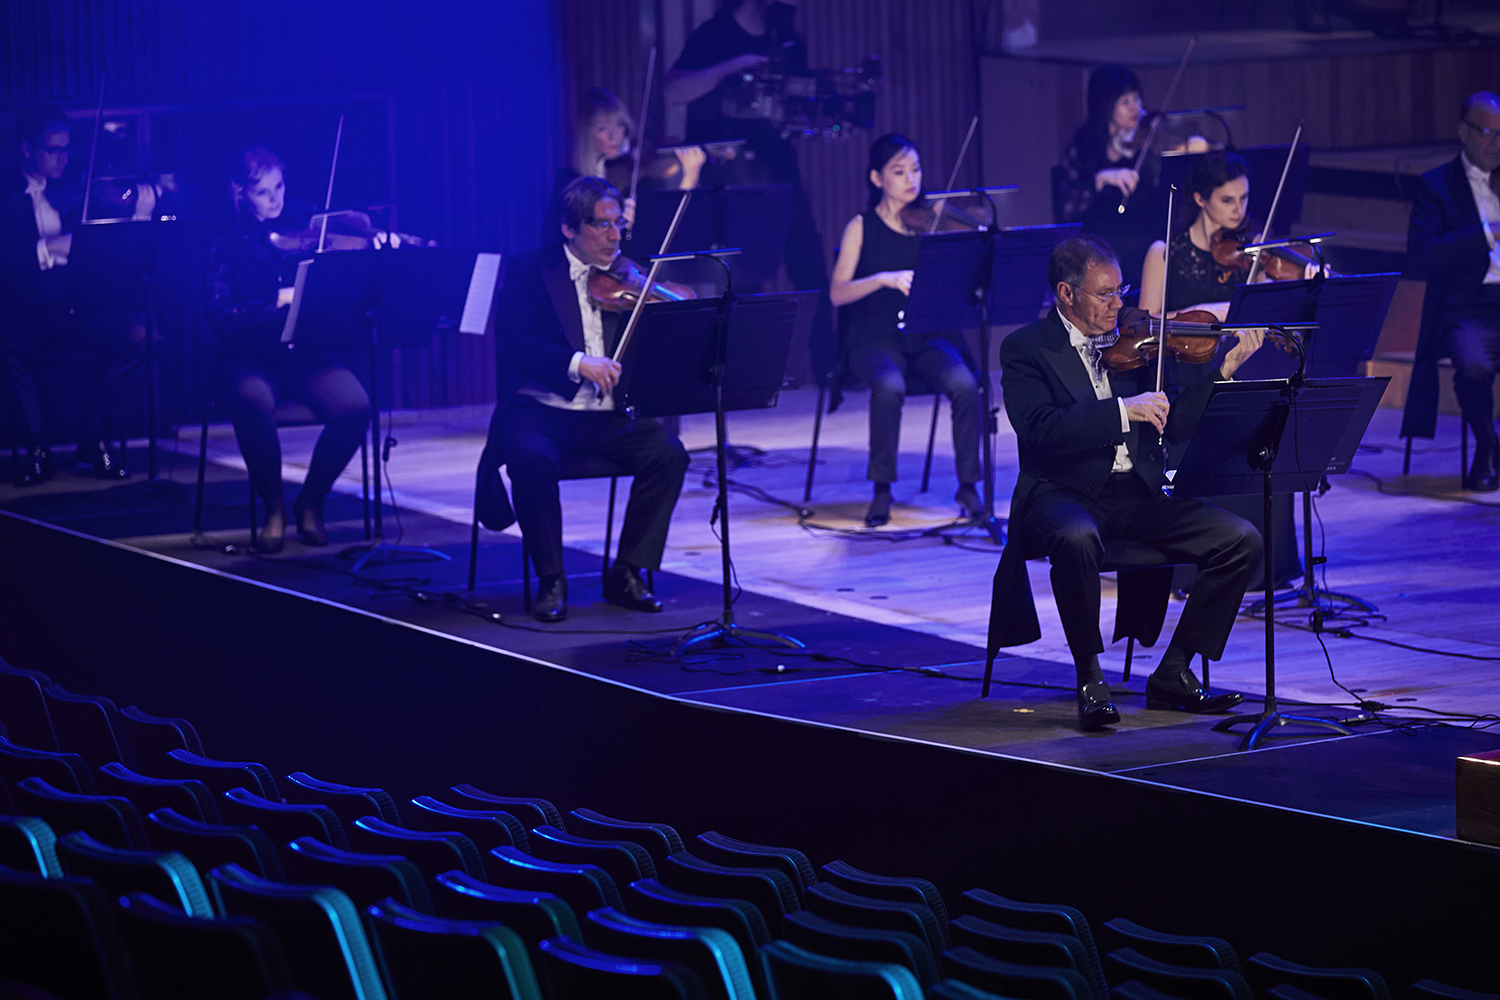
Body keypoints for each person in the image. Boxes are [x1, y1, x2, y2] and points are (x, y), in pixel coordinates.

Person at [988, 235, 1264, 730]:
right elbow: (1040, 430)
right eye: (1105, 294)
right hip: (1060, 492)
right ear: (1066, 294)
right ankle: (1090, 677)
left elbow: (1174, 425)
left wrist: (1223, 370)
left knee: (1240, 539)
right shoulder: (1025, 349)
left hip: (1133, 494)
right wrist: (1120, 411)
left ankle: (1175, 671)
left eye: (1122, 290)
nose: (1120, 305)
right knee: (1076, 538)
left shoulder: (1136, 343)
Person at [474, 176, 691, 623]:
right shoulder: (529, 270)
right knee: (530, 460)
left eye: (618, 225)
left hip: (607, 417)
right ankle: (552, 578)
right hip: (542, 411)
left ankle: (627, 571)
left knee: (669, 454)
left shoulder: (626, 275)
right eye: (601, 225)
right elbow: (514, 343)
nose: (614, 236)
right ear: (568, 228)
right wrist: (578, 363)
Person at [1137, 150, 1302, 590]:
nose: (1240, 210)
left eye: (1245, 199)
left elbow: (1270, 316)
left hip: (1241, 374)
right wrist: (1211, 312)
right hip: (1188, 383)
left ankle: (1270, 568)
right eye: (1228, 200)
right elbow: (1148, 327)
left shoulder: (1255, 252)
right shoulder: (1164, 252)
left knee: (1273, 429)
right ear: (1200, 199)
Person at [204, 145, 371, 553]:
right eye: (263, 192)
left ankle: (311, 500)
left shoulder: (304, 228)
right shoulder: (222, 239)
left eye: (279, 187)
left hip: (302, 353)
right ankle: (273, 506)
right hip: (246, 358)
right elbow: (219, 314)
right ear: (240, 192)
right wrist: (276, 301)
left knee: (356, 406)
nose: (276, 199)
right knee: (252, 399)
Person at [664, 0, 836, 380]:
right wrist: (734, 66)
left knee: (807, 257)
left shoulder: (785, 36)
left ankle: (829, 367)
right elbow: (674, 90)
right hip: (728, 173)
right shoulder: (714, 34)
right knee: (745, 269)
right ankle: (745, 371)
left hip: (775, 163)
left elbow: (797, 98)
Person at [829, 133, 982, 526]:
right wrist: (882, 278)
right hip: (873, 338)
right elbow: (837, 293)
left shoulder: (932, 225)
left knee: (965, 384)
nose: (911, 179)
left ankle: (968, 485)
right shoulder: (861, 226)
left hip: (927, 337)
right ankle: (882, 488)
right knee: (889, 385)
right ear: (877, 178)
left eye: (915, 169)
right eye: (899, 171)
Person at [1, 104, 145, 485]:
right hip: (28, 312)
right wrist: (49, 248)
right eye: (54, 150)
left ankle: (96, 438)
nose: (65, 159)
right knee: (4, 346)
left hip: (81, 309)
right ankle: (36, 446)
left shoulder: (79, 187)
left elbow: (120, 221)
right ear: (27, 150)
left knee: (140, 337)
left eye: (68, 149)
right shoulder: (4, 194)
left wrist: (140, 201)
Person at [1401, 91, 1500, 492]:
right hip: (1466, 307)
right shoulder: (1436, 187)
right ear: (1465, 131)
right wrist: (1483, 234)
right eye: (1489, 133)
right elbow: (1421, 256)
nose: (1497, 144)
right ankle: (1489, 444)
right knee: (1474, 365)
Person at [1056, 64, 1206, 291]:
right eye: (1125, 102)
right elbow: (1067, 208)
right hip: (1098, 253)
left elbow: (1168, 195)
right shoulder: (1082, 149)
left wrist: (1185, 152)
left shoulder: (1150, 144)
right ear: (1104, 106)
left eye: (1137, 100)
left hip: (1146, 249)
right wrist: (1100, 180)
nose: (1135, 108)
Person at [556, 87, 706, 230]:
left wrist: (690, 177)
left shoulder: (637, 181)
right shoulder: (570, 182)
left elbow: (667, 227)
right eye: (602, 129)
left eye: (619, 126)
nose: (614, 136)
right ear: (586, 134)